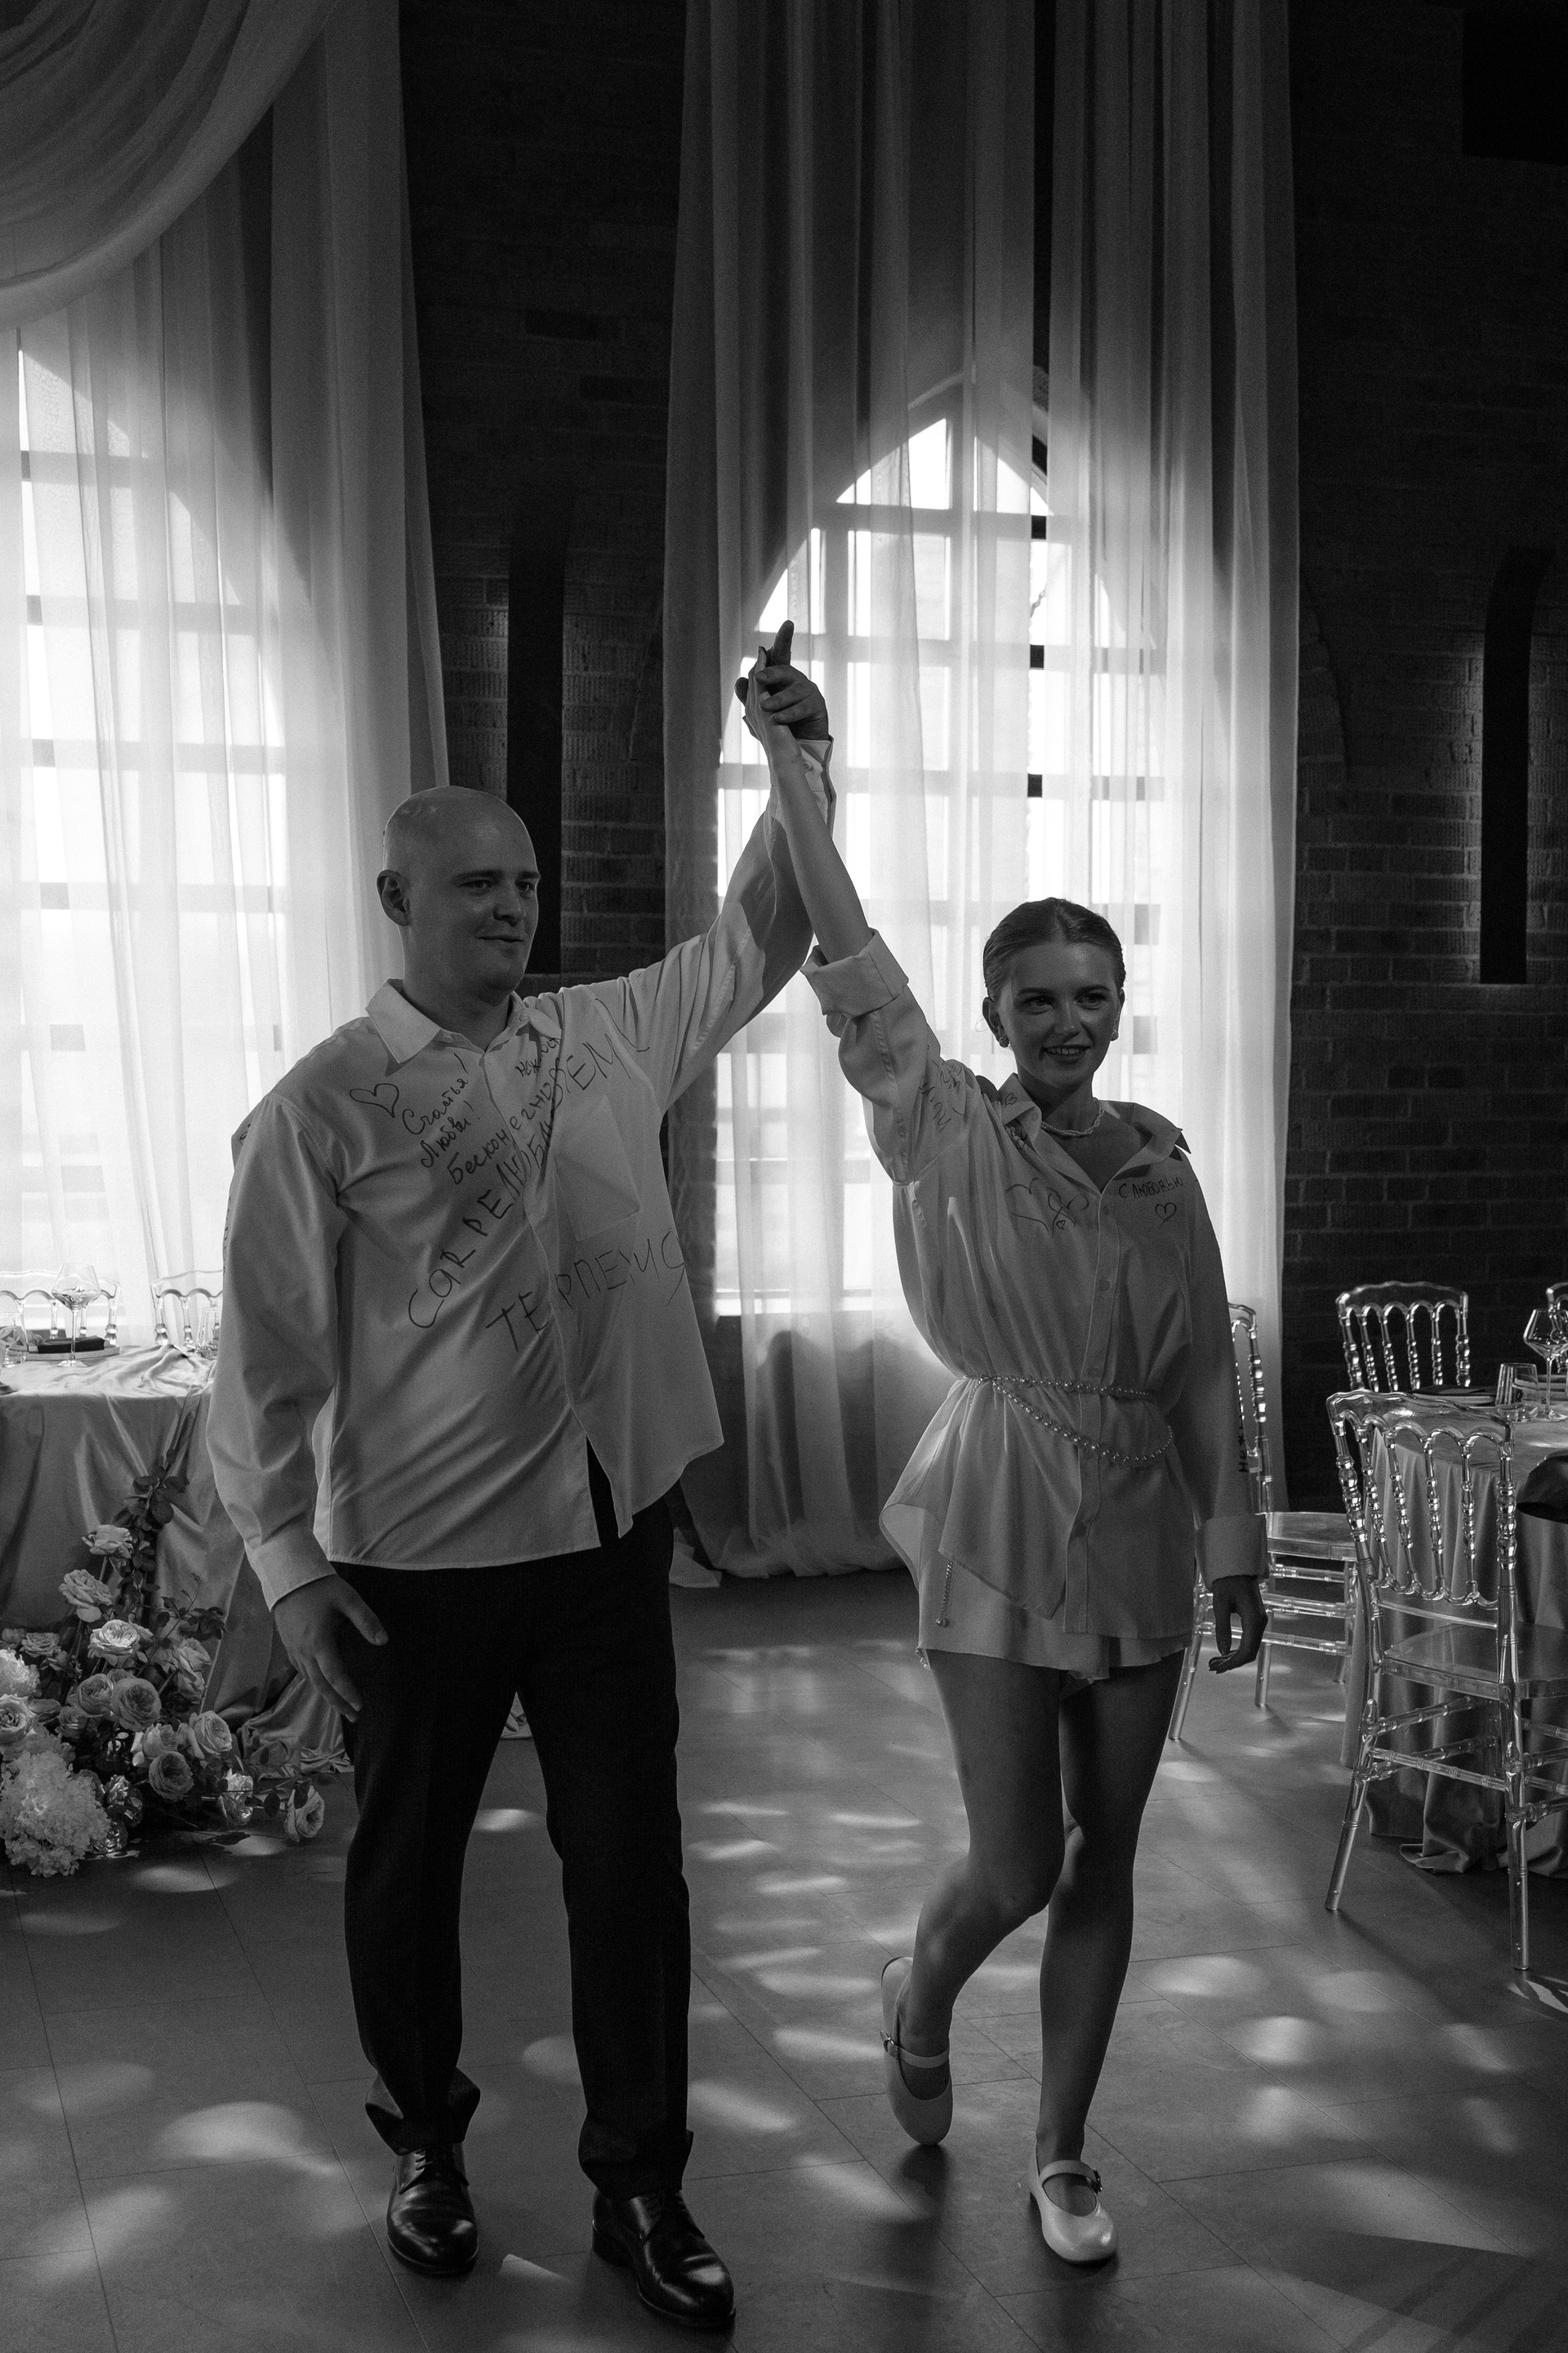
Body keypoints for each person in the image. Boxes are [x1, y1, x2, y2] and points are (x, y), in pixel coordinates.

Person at [207, 626, 833, 2328]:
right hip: (411, 1565)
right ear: (394, 897)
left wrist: (796, 762)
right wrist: (289, 1567)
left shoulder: (606, 1032)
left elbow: (764, 932)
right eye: (476, 884)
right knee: (407, 1871)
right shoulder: (321, 1109)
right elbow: (262, 1356)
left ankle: (643, 2182)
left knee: (631, 1870)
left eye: (527, 883)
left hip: (607, 1540)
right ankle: (425, 2143)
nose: (512, 907)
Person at [737, 657, 1267, 2266]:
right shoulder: (944, 1123)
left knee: (1113, 1849)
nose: (1067, 1022)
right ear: (993, 1017)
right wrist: (796, 773)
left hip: (1144, 1526)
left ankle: (1062, 2153)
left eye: (1091, 995)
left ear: (1120, 1005)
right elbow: (849, 959)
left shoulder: (1163, 1168)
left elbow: (1200, 1368)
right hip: (998, 1508)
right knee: (1023, 1859)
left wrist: (1235, 1542)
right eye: (1037, 999)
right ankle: (921, 1985)